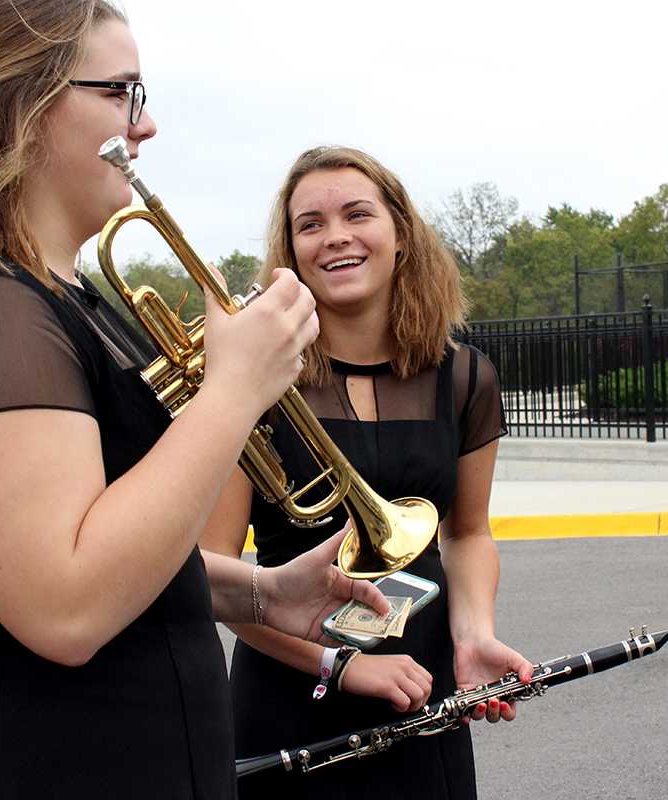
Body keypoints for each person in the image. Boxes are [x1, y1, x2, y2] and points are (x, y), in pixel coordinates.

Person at [0, 3, 388, 798]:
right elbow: (66, 604)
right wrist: (234, 390)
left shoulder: (60, 297)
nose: (148, 126)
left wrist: (259, 592)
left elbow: (112, 534)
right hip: (23, 765)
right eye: (123, 92)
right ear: (26, 104)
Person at [200, 146, 535, 798]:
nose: (336, 237)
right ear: (292, 251)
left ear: (400, 233)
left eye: (358, 214)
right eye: (311, 224)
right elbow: (211, 574)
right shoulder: (253, 377)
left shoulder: (465, 378)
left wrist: (474, 638)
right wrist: (342, 665)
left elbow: (466, 535)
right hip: (287, 703)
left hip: (423, 693)